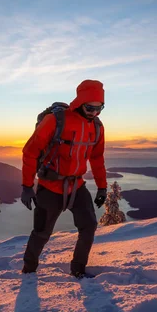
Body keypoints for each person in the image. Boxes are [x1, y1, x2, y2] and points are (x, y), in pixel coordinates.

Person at [21, 80, 108, 278]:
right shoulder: (55, 120)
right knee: (42, 232)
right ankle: (28, 271)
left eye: (99, 108)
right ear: (80, 102)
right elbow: (30, 151)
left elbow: (96, 157)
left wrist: (102, 187)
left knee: (89, 226)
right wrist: (27, 186)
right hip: (50, 185)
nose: (94, 113)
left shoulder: (97, 127)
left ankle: (78, 269)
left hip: (77, 185)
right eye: (90, 108)